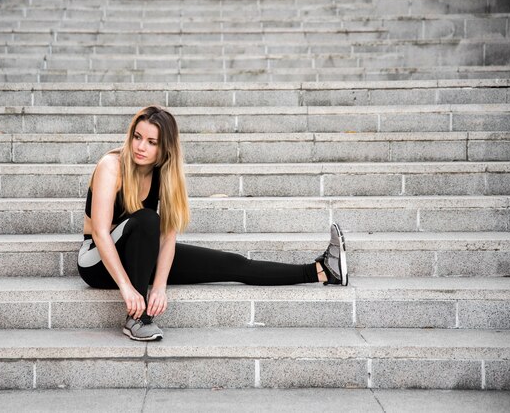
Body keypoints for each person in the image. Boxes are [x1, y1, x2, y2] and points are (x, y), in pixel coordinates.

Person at [78, 105, 348, 341]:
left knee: (233, 264)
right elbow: (101, 233)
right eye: (138, 137)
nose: (140, 147)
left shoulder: (165, 175)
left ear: (165, 148)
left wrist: (159, 286)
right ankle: (137, 319)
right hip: (97, 260)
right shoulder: (112, 165)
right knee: (148, 219)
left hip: (139, 257)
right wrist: (127, 289)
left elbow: (168, 237)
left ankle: (323, 271)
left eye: (152, 141)